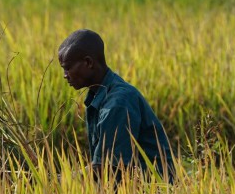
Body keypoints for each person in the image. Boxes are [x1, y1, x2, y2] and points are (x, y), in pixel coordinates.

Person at [58, 29, 174, 183]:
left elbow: (106, 167)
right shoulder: (99, 94)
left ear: (88, 63)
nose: (65, 75)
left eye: (68, 68)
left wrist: (59, 181)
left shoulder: (118, 103)